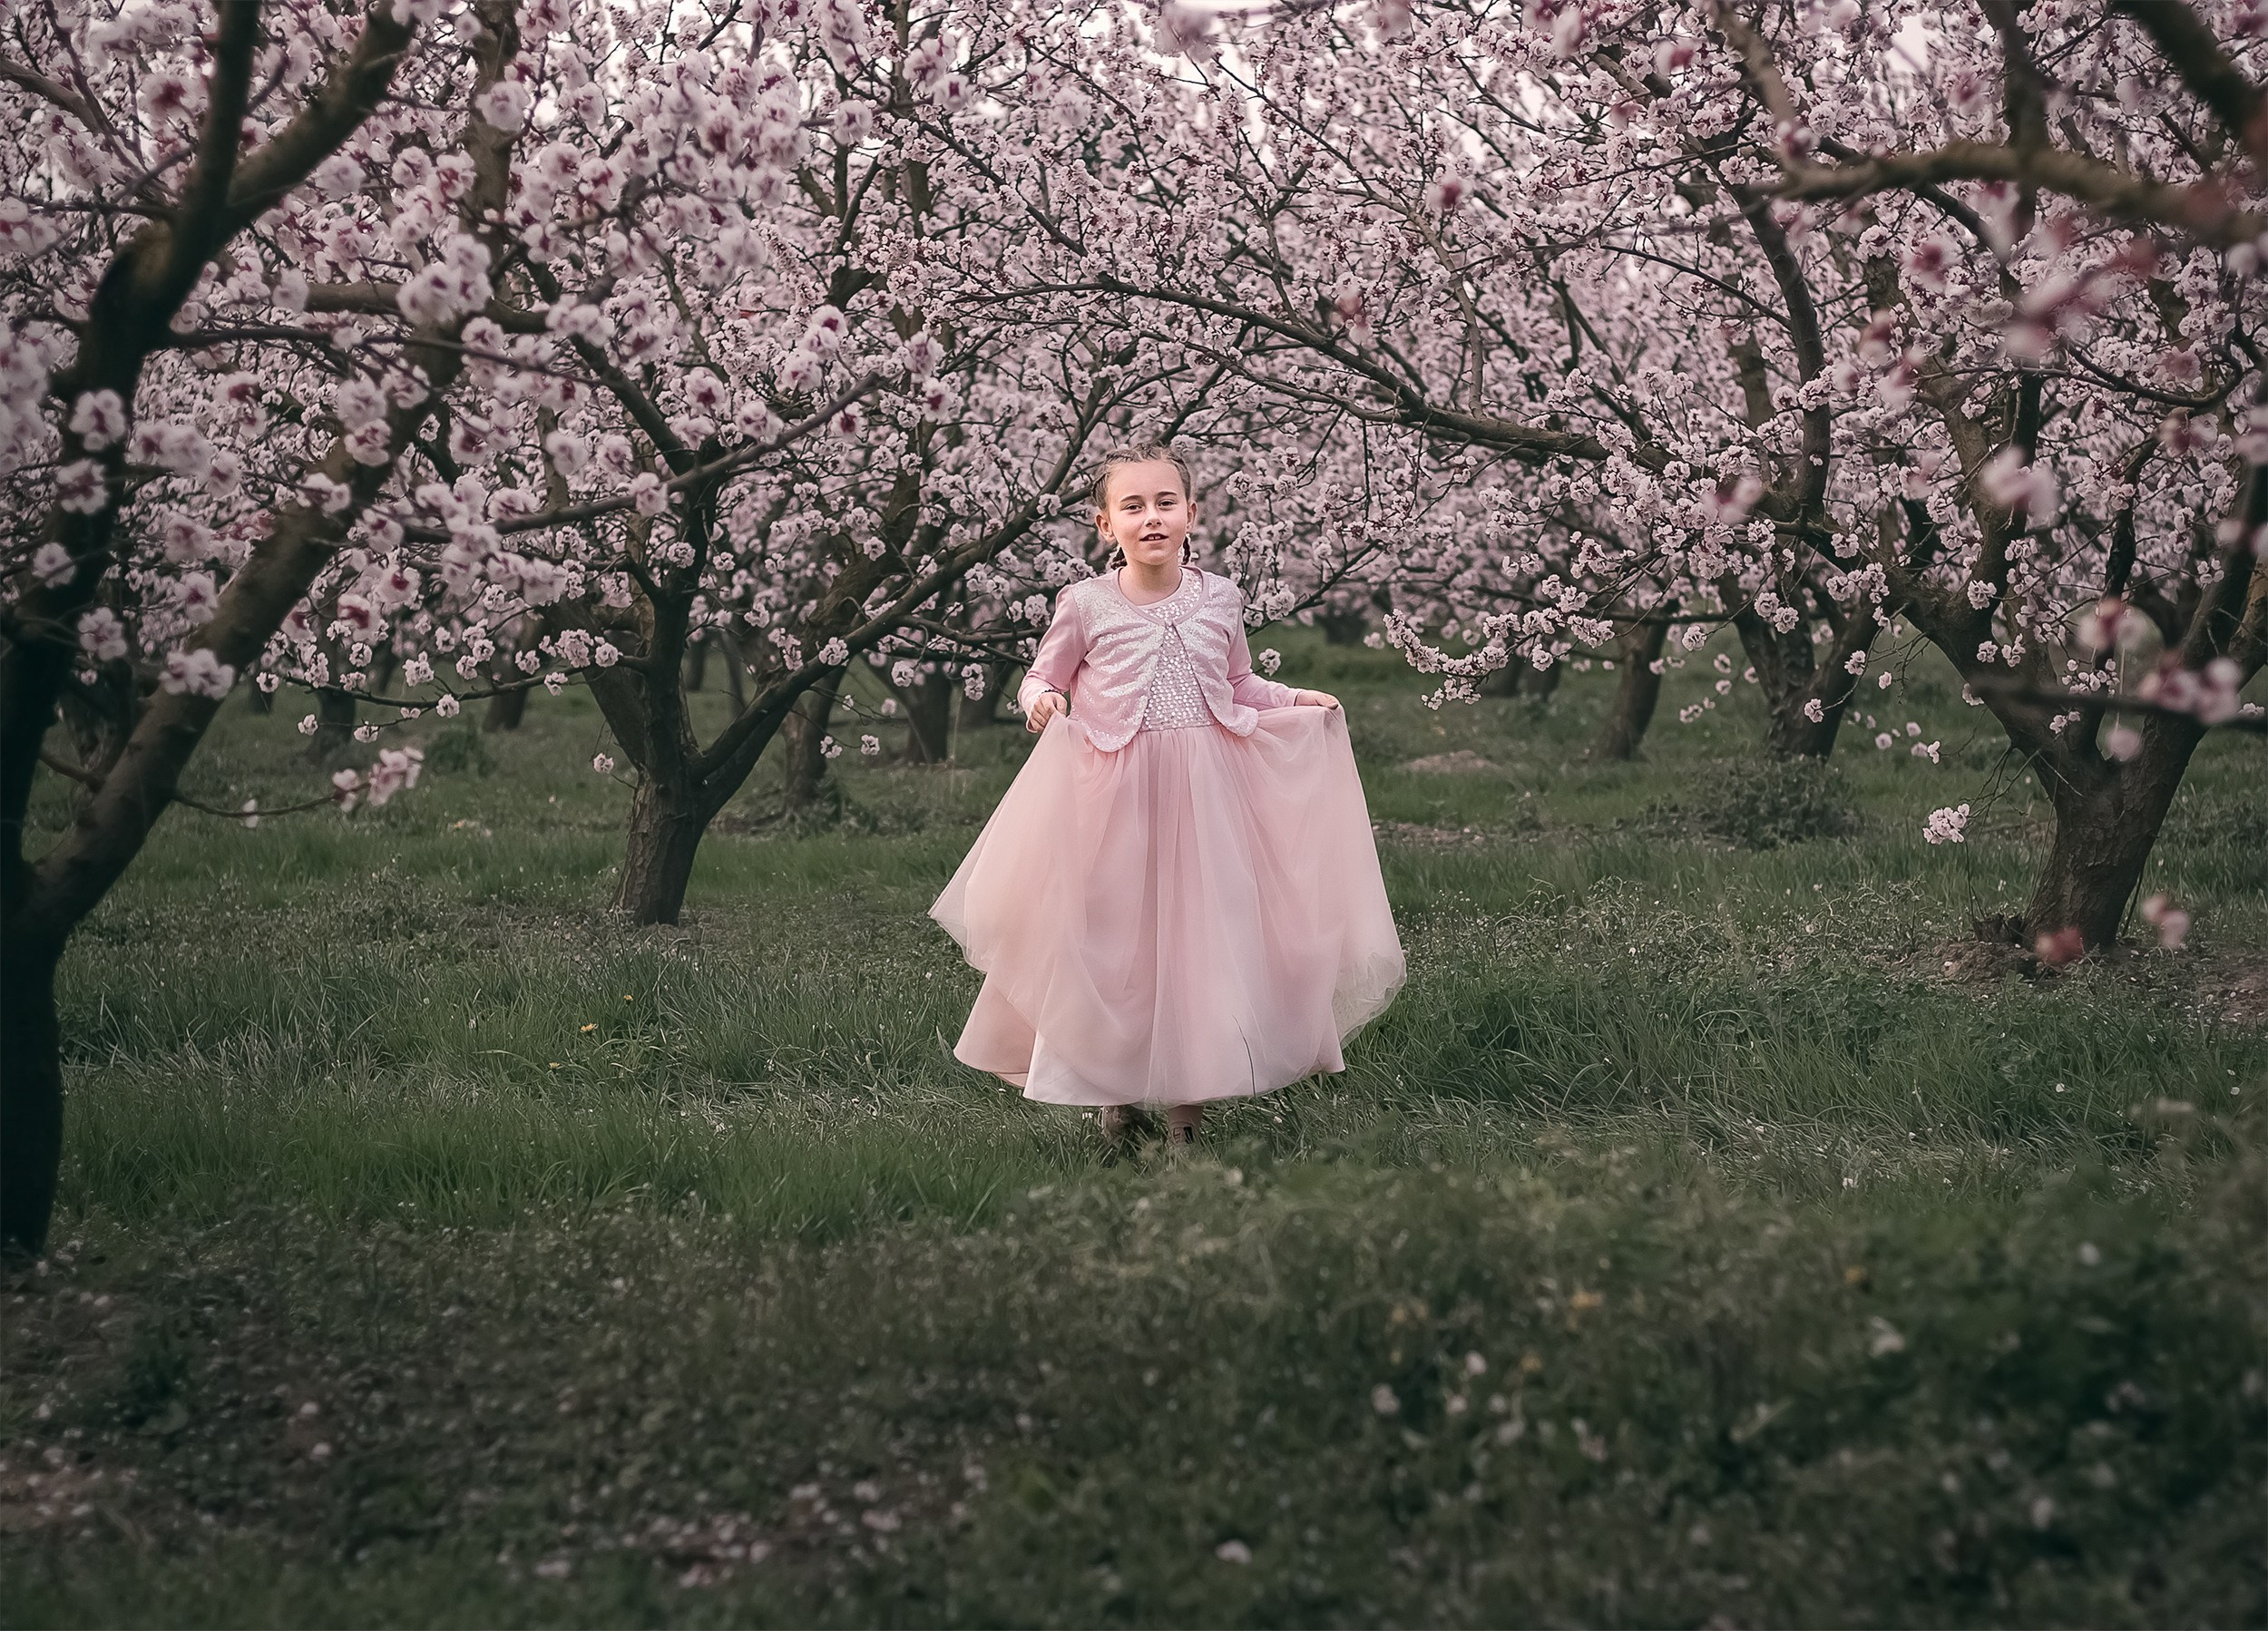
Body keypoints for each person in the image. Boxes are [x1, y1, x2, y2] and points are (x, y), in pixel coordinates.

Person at [929, 444, 1404, 1145]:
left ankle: (1187, 1115)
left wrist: (1298, 697)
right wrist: (1041, 702)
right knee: (1111, 940)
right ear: (1104, 524)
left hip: (1206, 796)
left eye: (1165, 503)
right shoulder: (1086, 603)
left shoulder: (1218, 597)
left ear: (1192, 514)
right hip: (1112, 795)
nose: (1151, 517)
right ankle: (1113, 1089)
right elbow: (1043, 675)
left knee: (1200, 945)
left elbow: (1238, 684)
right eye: (1133, 506)